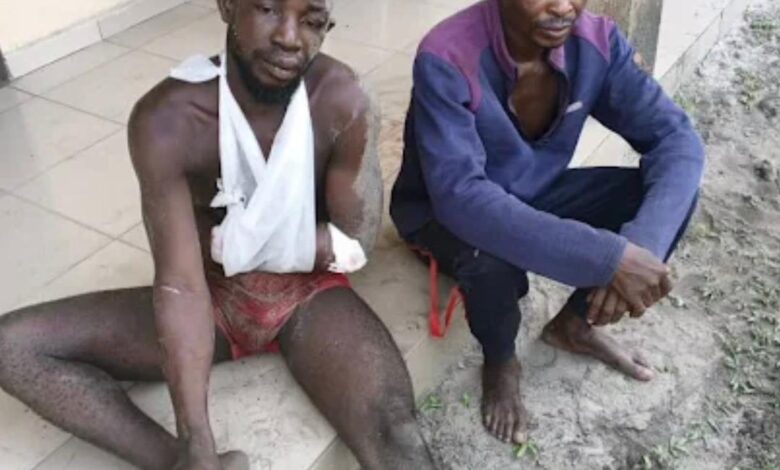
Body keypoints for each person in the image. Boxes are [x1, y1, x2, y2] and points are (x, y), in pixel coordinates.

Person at [0, 0, 437, 469]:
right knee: (12, 346)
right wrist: (196, 439)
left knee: (395, 433)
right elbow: (181, 284)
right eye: (268, 8)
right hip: (210, 297)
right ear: (227, 5)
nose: (289, 37)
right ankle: (179, 462)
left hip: (309, 297)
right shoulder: (166, 120)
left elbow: (353, 246)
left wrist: (249, 245)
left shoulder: (343, 101)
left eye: (311, 21)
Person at [390, 0, 704, 445]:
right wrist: (608, 258)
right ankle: (501, 360)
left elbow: (676, 139)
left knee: (667, 197)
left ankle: (574, 325)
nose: (562, 6)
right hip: (440, 212)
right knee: (490, 258)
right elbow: (461, 198)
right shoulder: (446, 55)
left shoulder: (596, 43)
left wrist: (642, 246)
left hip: (534, 191)